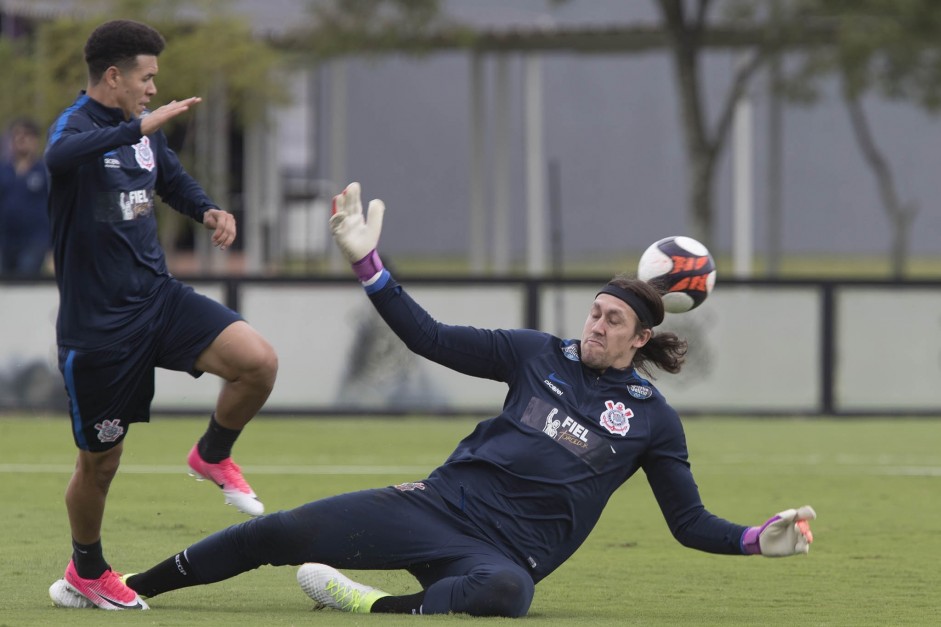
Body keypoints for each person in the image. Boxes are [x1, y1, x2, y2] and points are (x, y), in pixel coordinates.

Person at [51, 182, 816, 616]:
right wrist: (367, 263)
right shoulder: (533, 353)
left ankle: (360, 602)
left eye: (612, 320)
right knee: (277, 532)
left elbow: (688, 524)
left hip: (499, 555)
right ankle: (124, 588)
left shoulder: (653, 419)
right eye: (592, 310)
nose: (593, 325)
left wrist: (755, 539)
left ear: (641, 339)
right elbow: (426, 334)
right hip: (432, 505)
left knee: (508, 596)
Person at [43, 19, 278, 611]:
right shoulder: (75, 128)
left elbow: (170, 180)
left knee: (257, 363)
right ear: (114, 77)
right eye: (146, 78)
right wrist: (136, 127)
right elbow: (60, 157)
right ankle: (86, 570)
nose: (153, 88)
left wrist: (210, 210)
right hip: (99, 331)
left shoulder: (142, 134)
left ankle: (213, 454)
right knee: (100, 464)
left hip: (160, 300)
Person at [0, 117, 51, 275]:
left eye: (26, 134)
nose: (21, 139)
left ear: (35, 140)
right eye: (17, 134)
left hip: (34, 241)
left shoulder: (44, 172)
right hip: (5, 240)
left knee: (25, 280)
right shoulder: (3, 171)